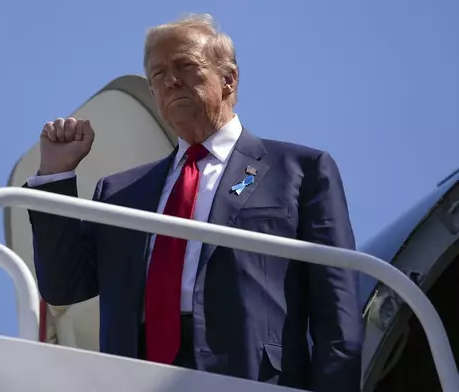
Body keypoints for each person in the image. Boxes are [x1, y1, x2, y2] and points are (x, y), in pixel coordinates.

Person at [24, 13, 362, 392]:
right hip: (139, 377)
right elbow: (63, 286)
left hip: (254, 376)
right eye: (158, 74)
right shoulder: (121, 193)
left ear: (229, 78)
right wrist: (55, 175)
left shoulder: (301, 170)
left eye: (186, 66)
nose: (171, 81)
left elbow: (338, 307)